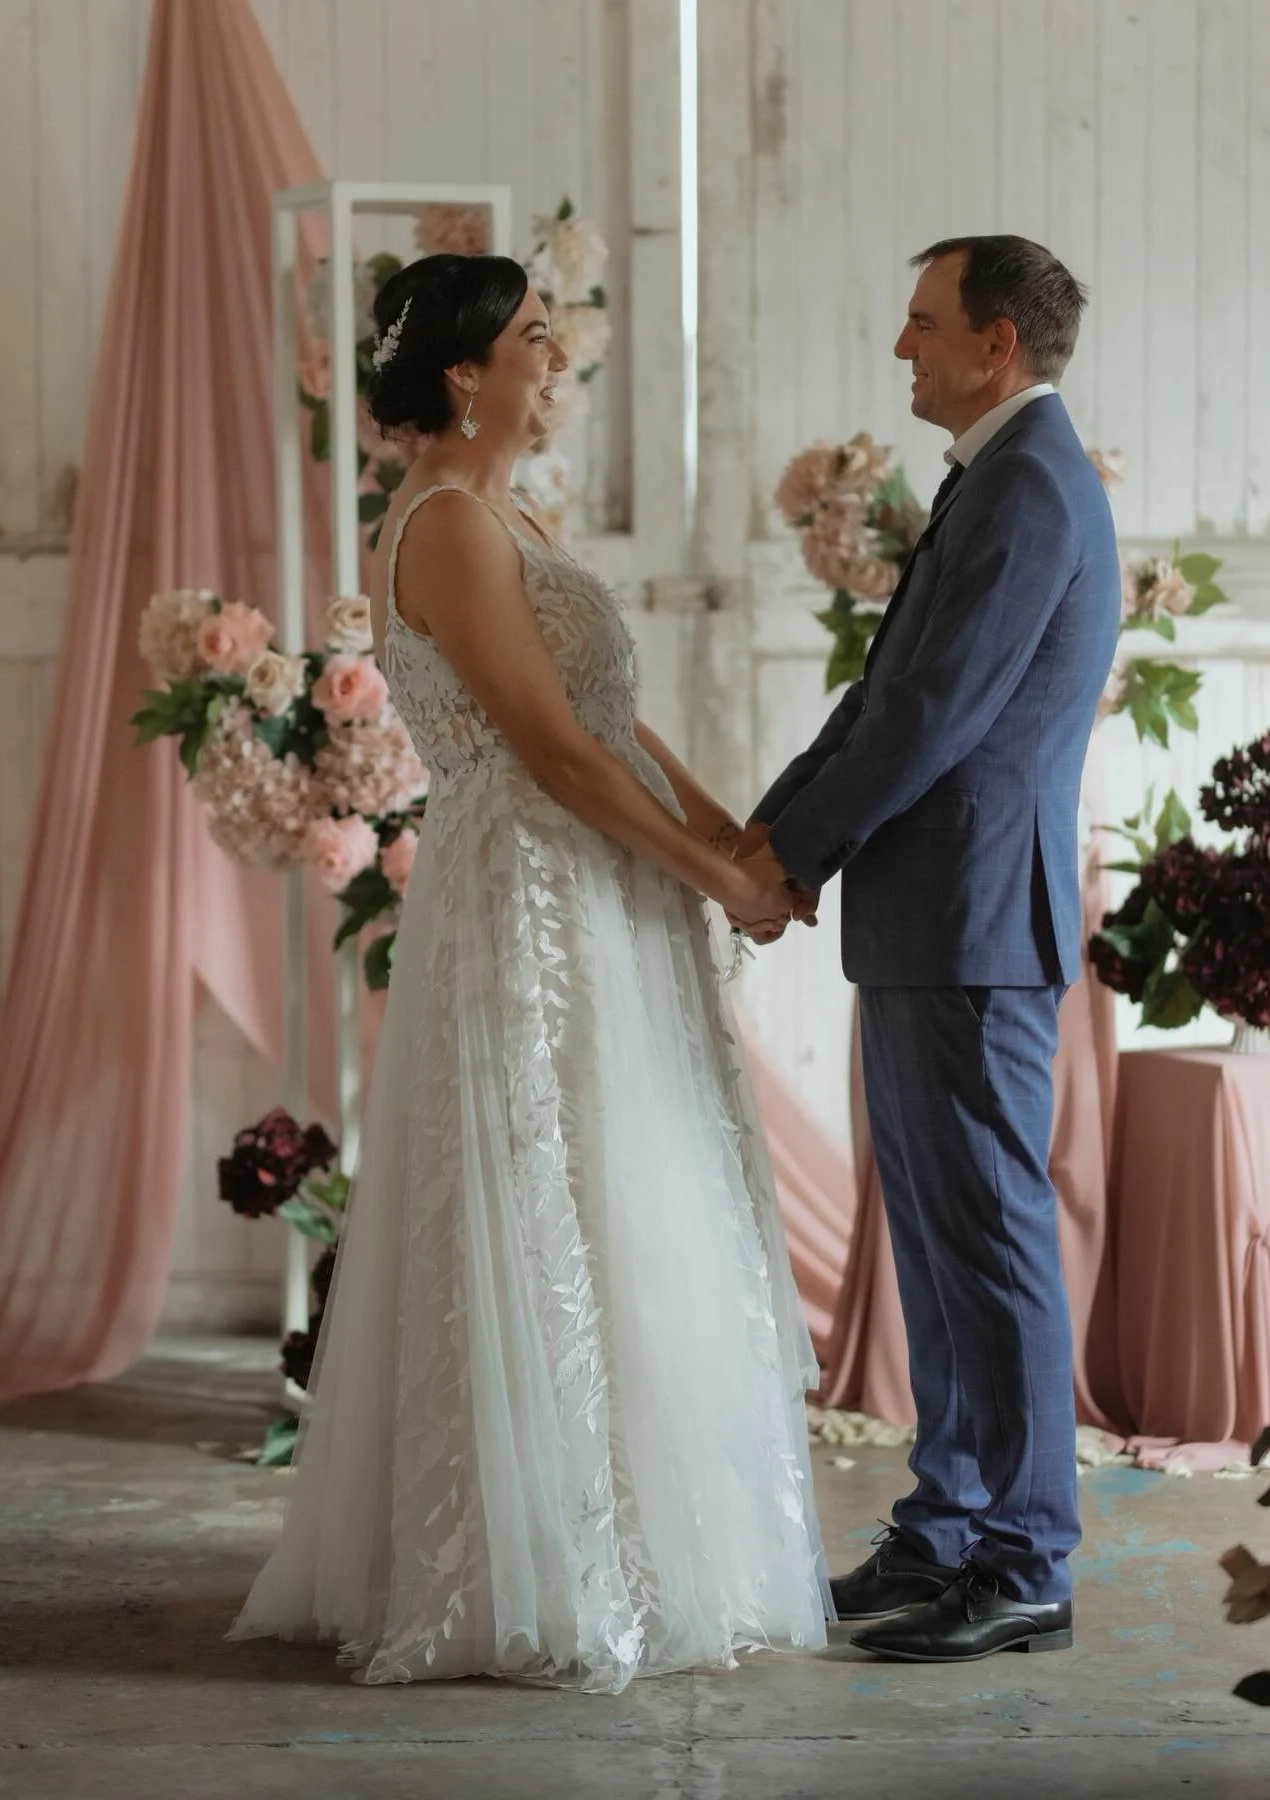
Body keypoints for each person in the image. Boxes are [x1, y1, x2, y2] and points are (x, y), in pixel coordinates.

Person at [230, 253, 831, 1692]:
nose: (554, 364)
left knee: (635, 1190)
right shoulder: (440, 526)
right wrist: (715, 879)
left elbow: (611, 716)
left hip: (606, 889)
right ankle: (540, 1561)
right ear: (465, 372)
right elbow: (551, 755)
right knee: (554, 1195)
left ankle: (644, 1528)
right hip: (535, 902)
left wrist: (727, 834)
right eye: (536, 344)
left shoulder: (509, 512)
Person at [737, 236, 1118, 1663]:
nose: (902, 348)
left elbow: (933, 716)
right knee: (945, 1242)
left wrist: (787, 856)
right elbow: (884, 693)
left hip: (968, 920)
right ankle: (948, 1521)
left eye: (921, 323)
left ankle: (1024, 1558)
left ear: (998, 343)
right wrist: (771, 831)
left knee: (991, 1239)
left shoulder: (1025, 483)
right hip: (932, 917)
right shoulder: (996, 477)